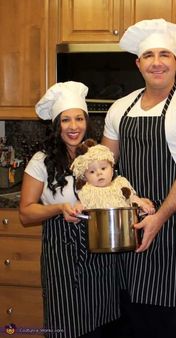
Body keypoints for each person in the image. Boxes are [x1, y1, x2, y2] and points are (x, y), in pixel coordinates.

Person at [102, 18, 176, 338]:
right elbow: (104, 164)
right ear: (138, 63)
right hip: (130, 228)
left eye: (164, 54)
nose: (156, 62)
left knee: (174, 319)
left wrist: (159, 217)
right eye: (149, 55)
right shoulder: (120, 109)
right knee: (131, 315)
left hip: (174, 231)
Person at [19, 81, 120, 338]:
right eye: (65, 120)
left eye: (79, 119)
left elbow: (117, 189)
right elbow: (26, 212)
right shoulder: (41, 161)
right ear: (56, 125)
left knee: (103, 323)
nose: (73, 127)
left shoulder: (100, 155)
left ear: (86, 121)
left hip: (101, 253)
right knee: (67, 324)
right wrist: (59, 207)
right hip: (62, 254)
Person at [70, 139, 155, 213]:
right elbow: (80, 204)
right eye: (92, 172)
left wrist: (144, 205)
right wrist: (77, 209)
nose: (99, 173)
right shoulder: (87, 191)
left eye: (103, 168)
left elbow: (133, 198)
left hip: (123, 225)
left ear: (112, 169)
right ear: (85, 177)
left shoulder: (120, 185)